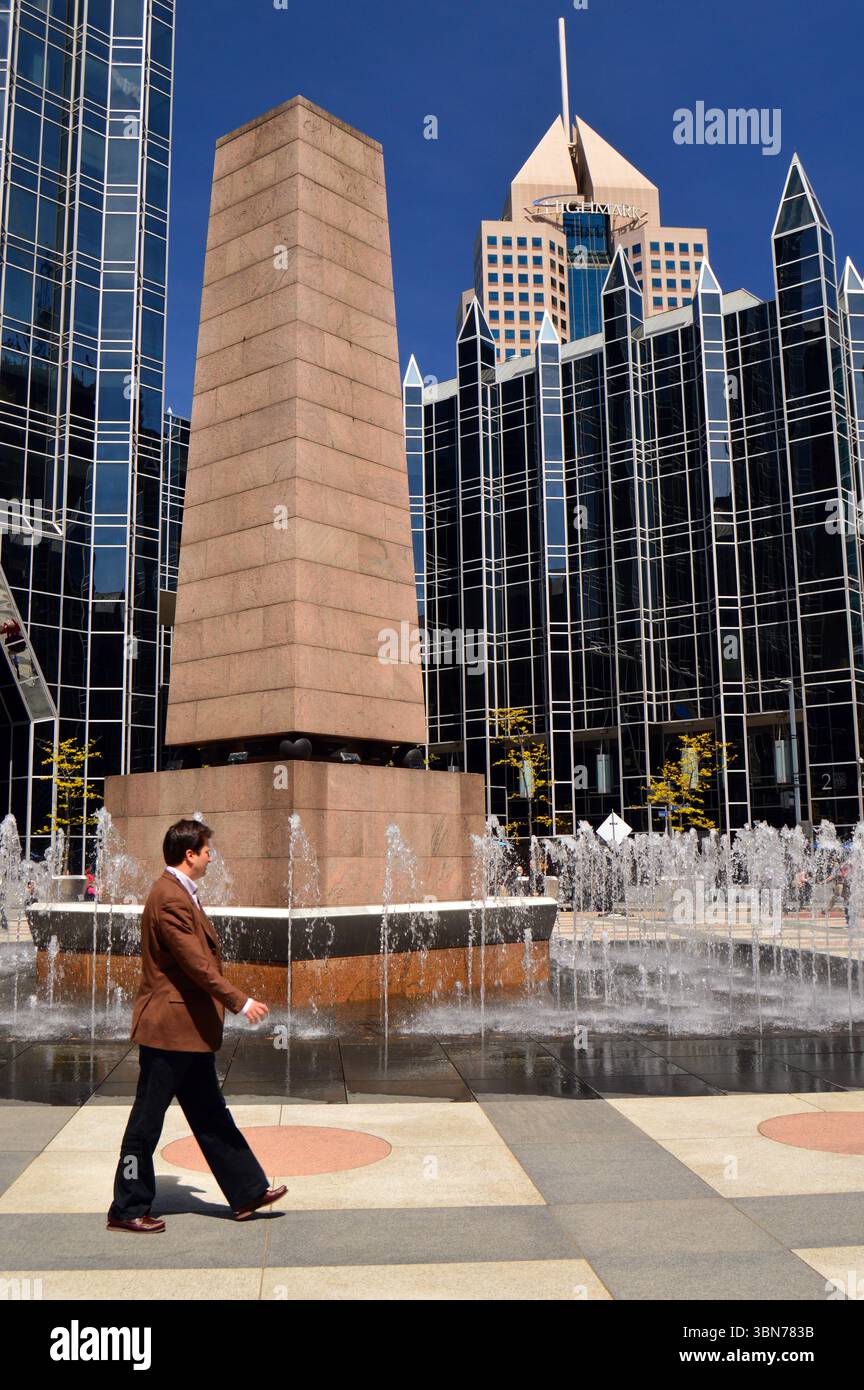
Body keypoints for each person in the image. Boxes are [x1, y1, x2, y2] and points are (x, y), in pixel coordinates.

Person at [106, 818, 285, 1233]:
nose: (211, 856)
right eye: (207, 850)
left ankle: (246, 1192)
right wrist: (239, 1001)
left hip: (188, 1030)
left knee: (210, 1114)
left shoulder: (182, 893)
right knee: (146, 1122)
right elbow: (195, 962)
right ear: (189, 854)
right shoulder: (169, 897)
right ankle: (127, 1207)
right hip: (169, 1028)